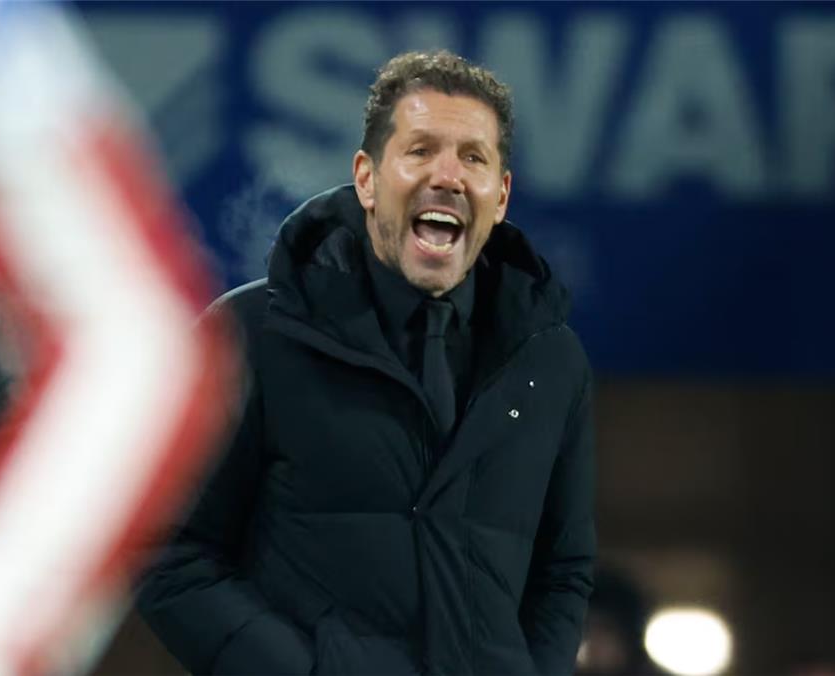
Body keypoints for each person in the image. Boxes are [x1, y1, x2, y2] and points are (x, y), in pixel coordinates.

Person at [138, 50, 596, 675]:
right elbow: (168, 551)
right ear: (366, 178)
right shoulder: (251, 335)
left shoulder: (550, 361)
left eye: (473, 157)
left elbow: (563, 571)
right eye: (420, 150)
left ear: (501, 196)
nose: (448, 176)